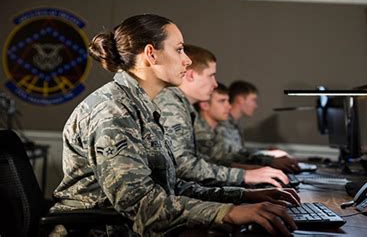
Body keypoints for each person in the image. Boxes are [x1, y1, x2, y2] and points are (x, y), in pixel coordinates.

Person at [49, 14, 299, 236]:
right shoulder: (113, 112)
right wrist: (227, 212)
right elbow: (141, 203)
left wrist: (242, 196)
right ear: (151, 54)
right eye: (179, 49)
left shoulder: (143, 107)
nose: (188, 60)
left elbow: (170, 186)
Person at [155, 44, 292, 188]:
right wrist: (244, 175)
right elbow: (181, 166)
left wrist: (247, 174)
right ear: (190, 75)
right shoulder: (170, 104)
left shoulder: (182, 105)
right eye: (211, 75)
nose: (215, 84)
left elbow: (205, 161)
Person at [216, 80, 300, 172]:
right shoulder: (221, 124)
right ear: (240, 99)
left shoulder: (234, 124)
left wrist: (265, 152)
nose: (255, 105)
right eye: (253, 100)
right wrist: (268, 161)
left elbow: (239, 153)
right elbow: (229, 159)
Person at [194, 82, 279, 169]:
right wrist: (261, 165)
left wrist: (265, 159)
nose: (229, 106)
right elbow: (216, 164)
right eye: (222, 101)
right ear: (204, 105)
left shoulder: (214, 129)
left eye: (227, 101)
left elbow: (230, 157)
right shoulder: (198, 132)